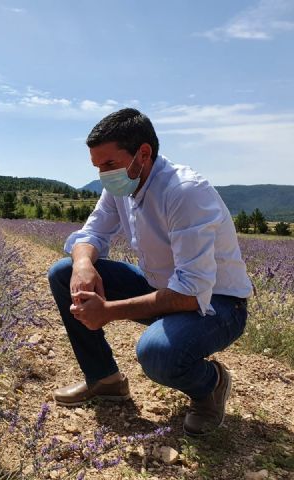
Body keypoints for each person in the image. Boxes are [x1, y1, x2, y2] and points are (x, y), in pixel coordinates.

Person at [48, 108, 252, 436]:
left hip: (218, 304)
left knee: (156, 352)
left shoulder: (184, 192)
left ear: (143, 154)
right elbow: (90, 235)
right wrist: (83, 264)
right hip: (163, 286)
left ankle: (209, 385)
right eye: (98, 166)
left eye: (109, 165)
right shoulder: (121, 186)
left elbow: (189, 292)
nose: (103, 175)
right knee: (64, 272)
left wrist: (107, 312)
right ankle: (105, 380)